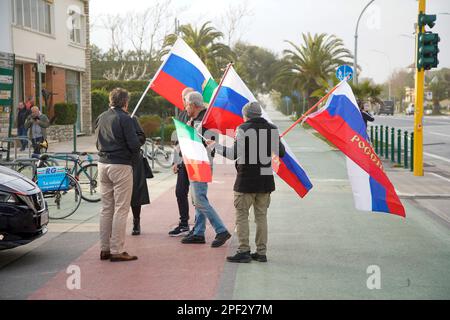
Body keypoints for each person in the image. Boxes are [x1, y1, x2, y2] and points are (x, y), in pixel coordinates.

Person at [207, 102, 286, 263]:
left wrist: (216, 146)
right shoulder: (272, 129)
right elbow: (281, 153)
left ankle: (244, 250)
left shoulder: (243, 129)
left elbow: (234, 154)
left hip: (246, 178)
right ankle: (261, 252)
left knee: (242, 215)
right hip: (265, 179)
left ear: (246, 115)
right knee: (261, 216)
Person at [95, 88, 141, 262]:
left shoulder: (102, 117)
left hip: (102, 164)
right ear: (125, 102)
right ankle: (117, 249)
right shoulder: (126, 119)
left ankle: (104, 248)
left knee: (106, 208)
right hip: (120, 164)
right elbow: (134, 145)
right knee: (121, 208)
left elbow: (97, 140)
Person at [181, 91, 231, 248]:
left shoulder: (203, 121)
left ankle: (221, 229)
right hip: (197, 161)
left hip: (200, 162)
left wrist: (192, 131)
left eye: (187, 104)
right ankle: (198, 232)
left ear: (193, 105)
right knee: (198, 199)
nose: (185, 107)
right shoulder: (198, 119)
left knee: (200, 199)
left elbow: (207, 141)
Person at [169, 87, 194, 237]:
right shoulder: (182, 115)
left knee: (198, 197)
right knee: (180, 192)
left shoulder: (202, 116)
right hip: (183, 162)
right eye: (183, 99)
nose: (184, 102)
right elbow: (177, 141)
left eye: (185, 99)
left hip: (197, 162)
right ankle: (184, 223)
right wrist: (175, 161)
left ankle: (198, 227)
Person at [130, 116, 152, 236]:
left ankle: (136, 222)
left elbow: (141, 137)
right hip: (116, 161)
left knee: (136, 193)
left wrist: (131, 142)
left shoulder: (132, 118)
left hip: (134, 161)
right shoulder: (106, 118)